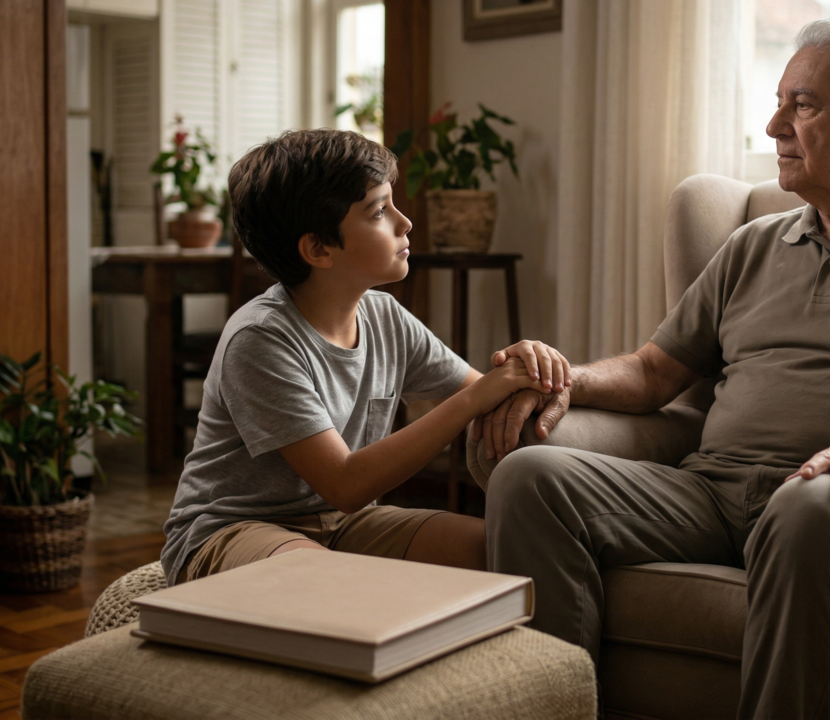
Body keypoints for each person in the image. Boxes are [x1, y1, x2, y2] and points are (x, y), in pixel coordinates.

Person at [477, 15, 830, 719]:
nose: (775, 126)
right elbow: (655, 372)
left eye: (802, 105)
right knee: (531, 476)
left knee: (813, 506)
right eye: (779, 103)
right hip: (709, 493)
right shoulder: (752, 244)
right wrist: (562, 377)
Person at [161, 129, 569, 588]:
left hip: (343, 523)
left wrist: (526, 369)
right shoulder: (260, 339)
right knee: (326, 582)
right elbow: (346, 484)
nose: (405, 222)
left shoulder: (384, 316)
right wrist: (478, 398)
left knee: (507, 549)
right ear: (319, 249)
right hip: (232, 529)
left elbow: (489, 393)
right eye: (379, 211)